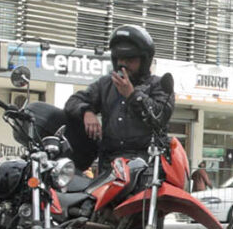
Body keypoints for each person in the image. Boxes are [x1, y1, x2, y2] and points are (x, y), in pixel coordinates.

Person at [64, 24, 176, 173]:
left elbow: (159, 116)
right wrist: (86, 111)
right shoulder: (106, 85)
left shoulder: (158, 85)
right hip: (110, 168)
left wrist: (132, 94)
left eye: (130, 60)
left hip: (146, 167)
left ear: (144, 60)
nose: (123, 64)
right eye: (119, 59)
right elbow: (73, 101)